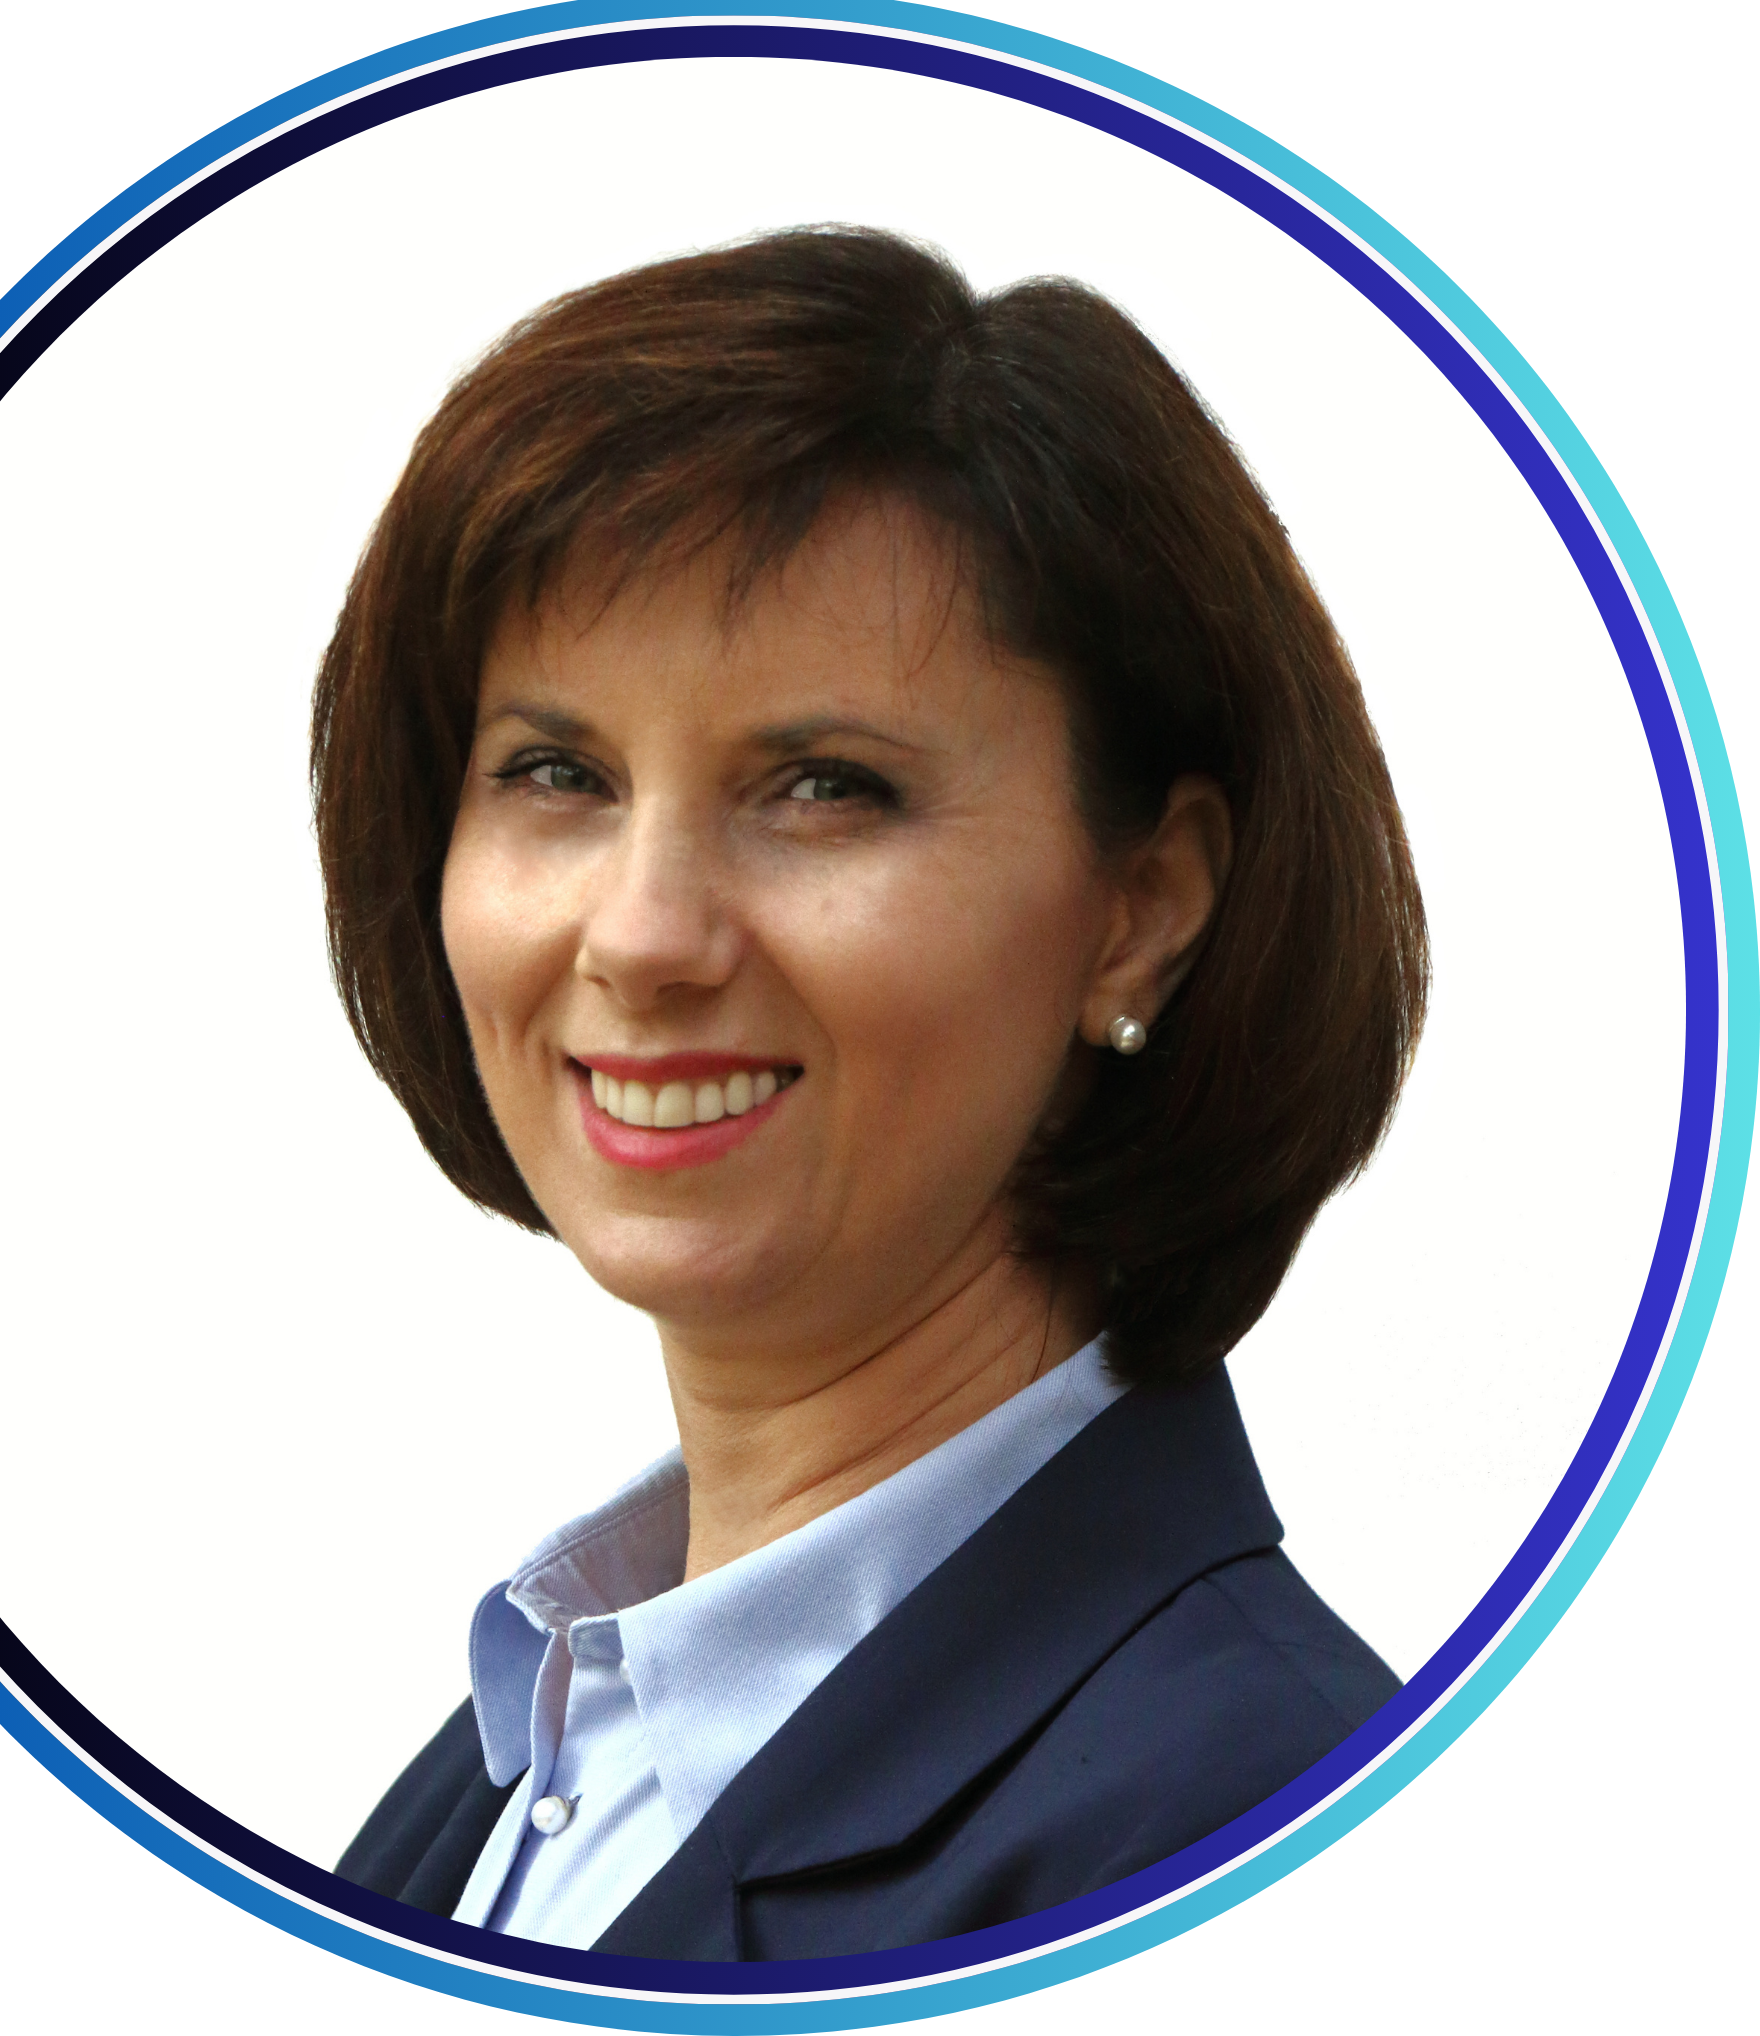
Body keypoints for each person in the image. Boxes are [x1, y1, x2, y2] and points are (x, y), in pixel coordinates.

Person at [311, 226, 1427, 1962]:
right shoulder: (527, 1753)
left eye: (825, 788)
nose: (646, 935)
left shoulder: (1240, 1818)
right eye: (556, 772)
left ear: (1141, 911)